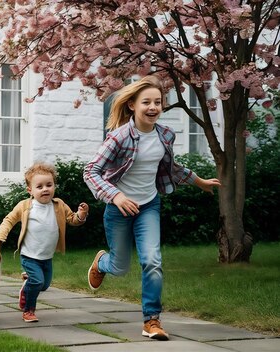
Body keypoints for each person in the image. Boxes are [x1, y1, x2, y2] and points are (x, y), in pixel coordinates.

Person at [83, 75, 221, 340]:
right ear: (132, 105)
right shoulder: (119, 137)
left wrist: (198, 181)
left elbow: (170, 167)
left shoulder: (163, 135)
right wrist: (116, 196)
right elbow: (91, 172)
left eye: (158, 102)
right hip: (119, 209)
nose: (153, 107)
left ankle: (152, 320)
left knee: (152, 261)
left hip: (148, 206)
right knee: (120, 267)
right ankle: (101, 263)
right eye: (146, 102)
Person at [0, 162, 89, 323]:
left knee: (44, 285)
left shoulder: (59, 205)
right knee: (37, 281)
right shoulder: (25, 206)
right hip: (29, 255)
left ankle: (27, 286)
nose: (45, 189)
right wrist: (0, 236)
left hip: (47, 256)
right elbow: (9, 220)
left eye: (49, 185)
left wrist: (81, 214)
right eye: (39, 186)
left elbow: (72, 220)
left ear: (54, 186)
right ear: (30, 190)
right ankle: (29, 310)